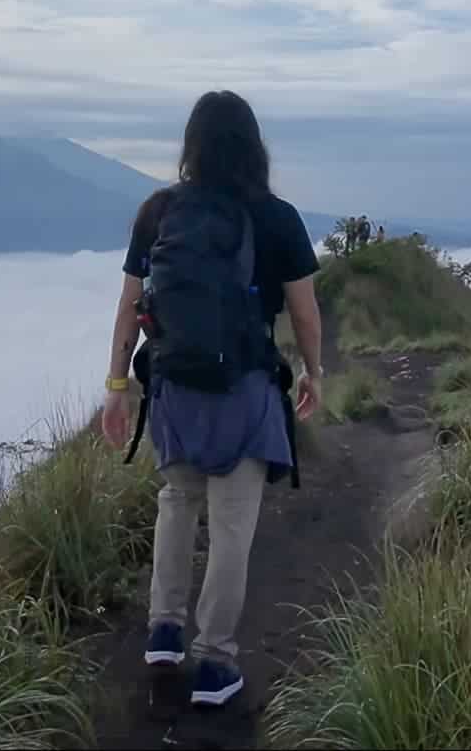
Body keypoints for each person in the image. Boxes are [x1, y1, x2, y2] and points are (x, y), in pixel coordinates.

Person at [100, 90, 325, 708]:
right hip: (244, 392)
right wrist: (314, 372)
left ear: (190, 147)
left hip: (172, 387)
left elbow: (129, 306)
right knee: (230, 527)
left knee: (177, 499)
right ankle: (215, 665)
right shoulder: (277, 217)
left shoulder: (158, 212)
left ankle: (164, 630)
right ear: (255, 147)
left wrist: (117, 389)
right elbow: (305, 313)